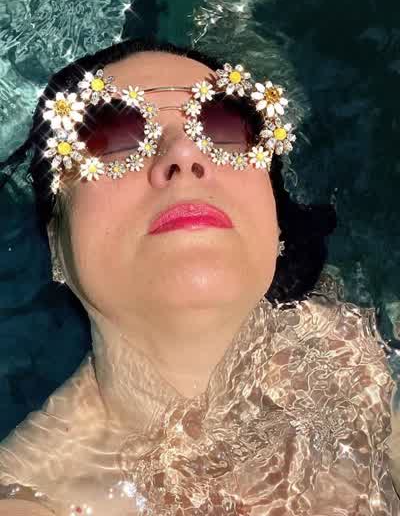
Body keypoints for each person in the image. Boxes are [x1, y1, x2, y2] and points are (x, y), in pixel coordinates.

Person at [0, 36, 399, 515]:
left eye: (224, 123)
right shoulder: (34, 499)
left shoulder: (356, 348)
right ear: (55, 245)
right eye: (111, 133)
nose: (184, 152)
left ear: (275, 223)